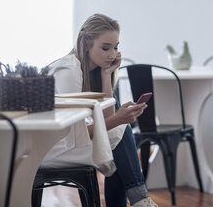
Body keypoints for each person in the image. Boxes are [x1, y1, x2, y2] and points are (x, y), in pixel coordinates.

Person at [41, 14, 158, 207]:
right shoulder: (70, 70)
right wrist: (120, 120)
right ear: (86, 44)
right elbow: (75, 134)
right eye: (105, 48)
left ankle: (140, 200)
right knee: (120, 137)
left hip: (69, 142)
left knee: (119, 138)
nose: (112, 54)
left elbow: (107, 119)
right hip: (52, 148)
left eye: (116, 47)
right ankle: (141, 200)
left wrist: (107, 75)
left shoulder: (93, 70)